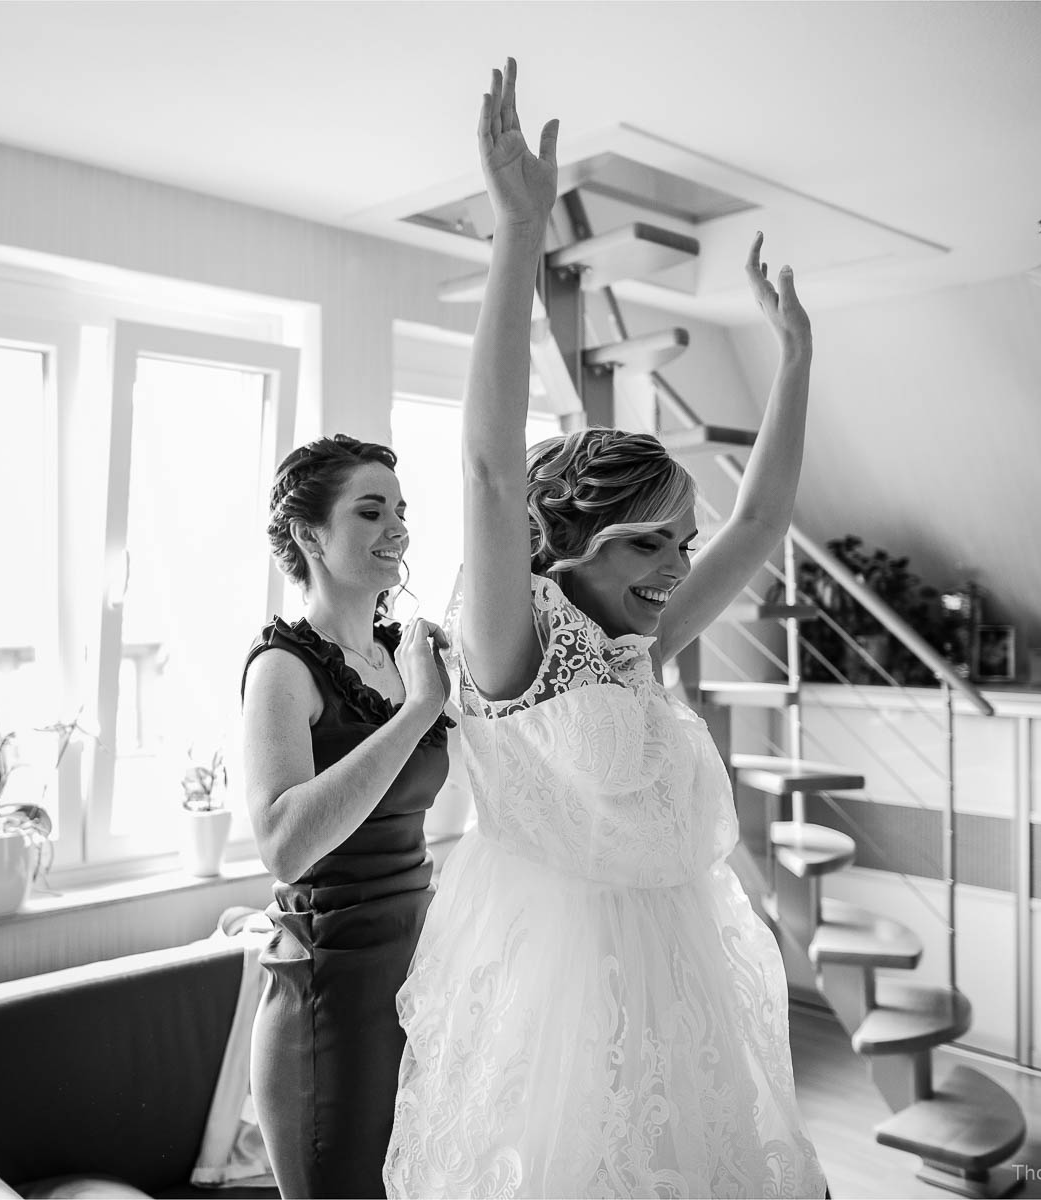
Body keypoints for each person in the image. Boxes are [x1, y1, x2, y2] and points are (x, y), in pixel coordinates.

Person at [382, 60, 830, 1198]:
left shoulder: (640, 641)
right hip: (555, 997)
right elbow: (487, 468)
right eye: (647, 544)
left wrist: (799, 360)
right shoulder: (512, 644)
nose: (676, 567)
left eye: (679, 542)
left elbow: (765, 518)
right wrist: (517, 235)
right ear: (572, 543)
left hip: (678, 974)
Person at [239, 433, 455, 1199]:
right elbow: (284, 844)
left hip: (422, 976)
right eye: (370, 512)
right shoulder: (282, 670)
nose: (397, 528)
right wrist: (420, 710)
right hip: (332, 992)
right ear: (309, 535)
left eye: (401, 510)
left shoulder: (412, 655)